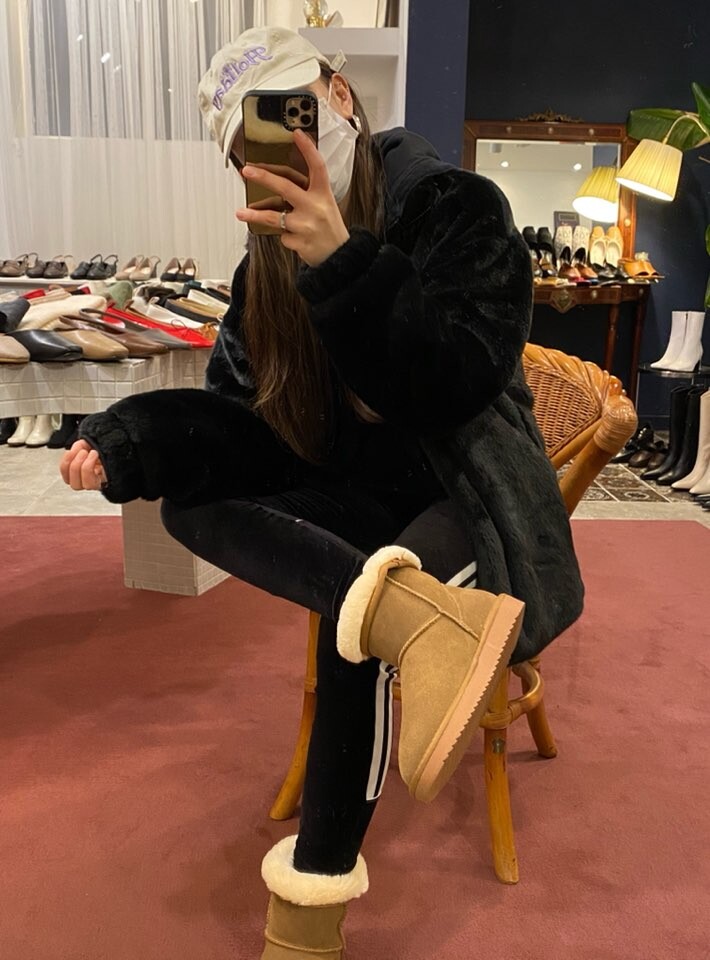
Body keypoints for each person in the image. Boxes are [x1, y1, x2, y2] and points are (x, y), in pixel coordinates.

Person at [60, 26, 584, 959]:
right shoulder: (263, 262)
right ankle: (400, 615)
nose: (277, 150)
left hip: (468, 486)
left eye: (290, 114)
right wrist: (132, 435)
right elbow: (243, 418)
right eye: (248, 146)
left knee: (358, 623)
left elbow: (454, 385)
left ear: (338, 97)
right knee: (198, 505)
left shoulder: (453, 207)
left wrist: (344, 263)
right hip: (356, 490)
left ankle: (308, 921)